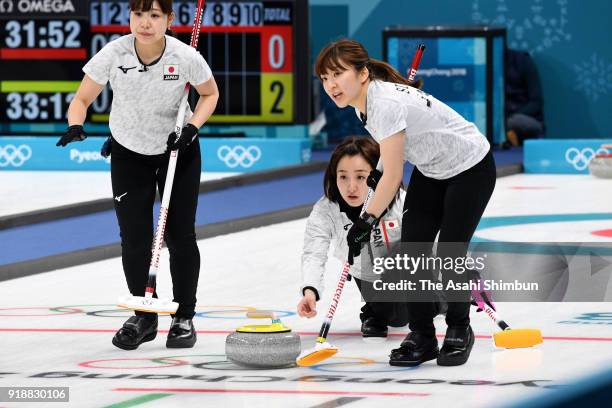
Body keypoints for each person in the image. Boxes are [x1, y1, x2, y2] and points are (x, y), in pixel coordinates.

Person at [315, 39, 496, 367]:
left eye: (337, 74)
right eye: (325, 78)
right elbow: (390, 157)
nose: (331, 85)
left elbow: (394, 175)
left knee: (448, 253)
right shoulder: (363, 105)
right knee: (413, 252)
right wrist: (378, 171)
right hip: (432, 170)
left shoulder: (384, 103)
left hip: (470, 167)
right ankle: (423, 337)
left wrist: (365, 221)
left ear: (363, 73)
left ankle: (459, 328)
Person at [56, 0, 219, 350]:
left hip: (178, 151)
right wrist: (76, 124)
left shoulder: (184, 56)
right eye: (138, 14)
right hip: (129, 152)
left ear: (169, 20)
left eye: (155, 15)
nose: (145, 23)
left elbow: (210, 94)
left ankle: (184, 317)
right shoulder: (114, 53)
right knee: (134, 238)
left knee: (179, 235)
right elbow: (82, 98)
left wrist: (192, 127)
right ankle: (144, 316)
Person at [297, 136, 409, 341]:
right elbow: (314, 252)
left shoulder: (398, 200)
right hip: (364, 272)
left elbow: (430, 239)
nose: (351, 187)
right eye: (343, 177)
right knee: (394, 317)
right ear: (334, 177)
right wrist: (310, 290)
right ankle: (374, 313)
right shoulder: (325, 210)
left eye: (360, 177)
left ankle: (437, 300)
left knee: (404, 316)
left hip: (404, 268)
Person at [504, 48, 545, 147]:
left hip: (522, 117)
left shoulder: (523, 60)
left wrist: (509, 117)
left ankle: (507, 135)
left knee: (513, 122)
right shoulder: (484, 63)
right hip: (495, 119)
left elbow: (536, 102)